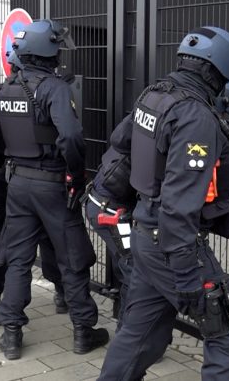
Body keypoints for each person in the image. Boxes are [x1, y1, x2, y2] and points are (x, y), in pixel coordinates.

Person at [98, 27, 229, 381]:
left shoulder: (155, 94)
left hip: (145, 235)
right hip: (171, 244)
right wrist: (186, 274)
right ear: (219, 67)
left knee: (141, 336)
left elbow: (120, 139)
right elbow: (179, 205)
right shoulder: (196, 116)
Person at [0, 19, 108, 360]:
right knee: (72, 258)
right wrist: (76, 175)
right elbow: (70, 137)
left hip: (18, 184)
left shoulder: (6, 88)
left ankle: (11, 334)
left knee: (18, 258)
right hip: (52, 183)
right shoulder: (54, 88)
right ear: (49, 52)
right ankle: (83, 331)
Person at [0, 85, 69, 315]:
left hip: (12, 177)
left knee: (17, 251)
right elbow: (70, 137)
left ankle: (10, 324)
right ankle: (64, 294)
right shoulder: (52, 90)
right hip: (47, 178)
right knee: (57, 242)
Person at [84, 123, 135, 329]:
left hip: (102, 204)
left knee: (127, 266)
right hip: (111, 212)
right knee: (134, 270)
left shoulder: (141, 117)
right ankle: (129, 335)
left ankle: (128, 331)